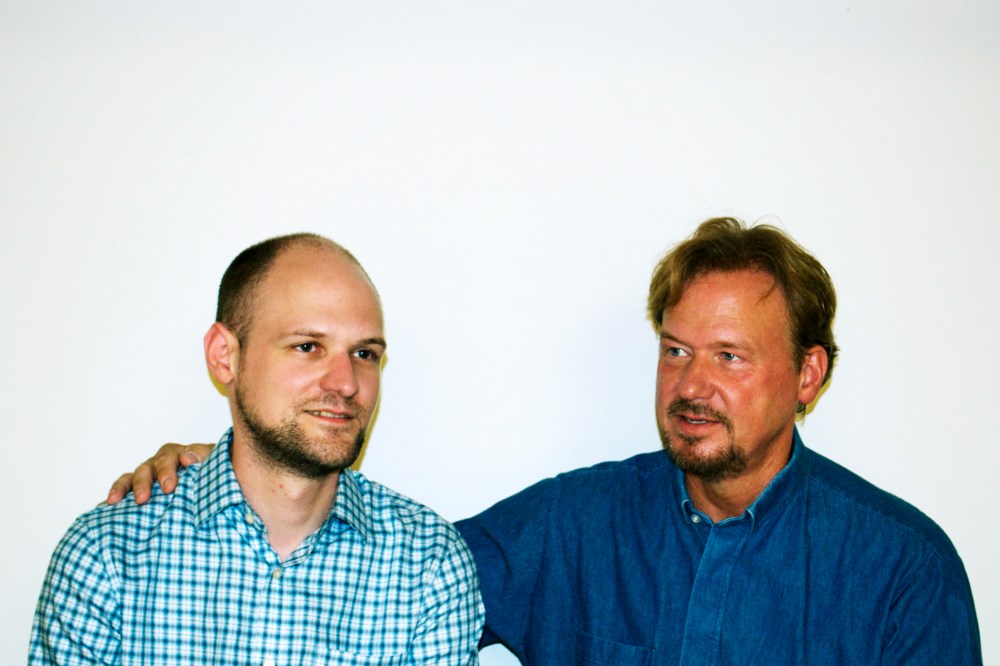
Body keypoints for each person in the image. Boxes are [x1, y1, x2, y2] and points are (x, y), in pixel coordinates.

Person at [106, 218, 981, 664]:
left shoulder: (903, 567)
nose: (690, 384)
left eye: (729, 357)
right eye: (674, 349)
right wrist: (235, 465)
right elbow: (378, 567)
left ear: (808, 376)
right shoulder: (576, 523)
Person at [31, 234, 484, 665]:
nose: (346, 383)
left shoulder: (427, 563)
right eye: (308, 346)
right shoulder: (108, 554)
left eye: (364, 354)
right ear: (225, 356)